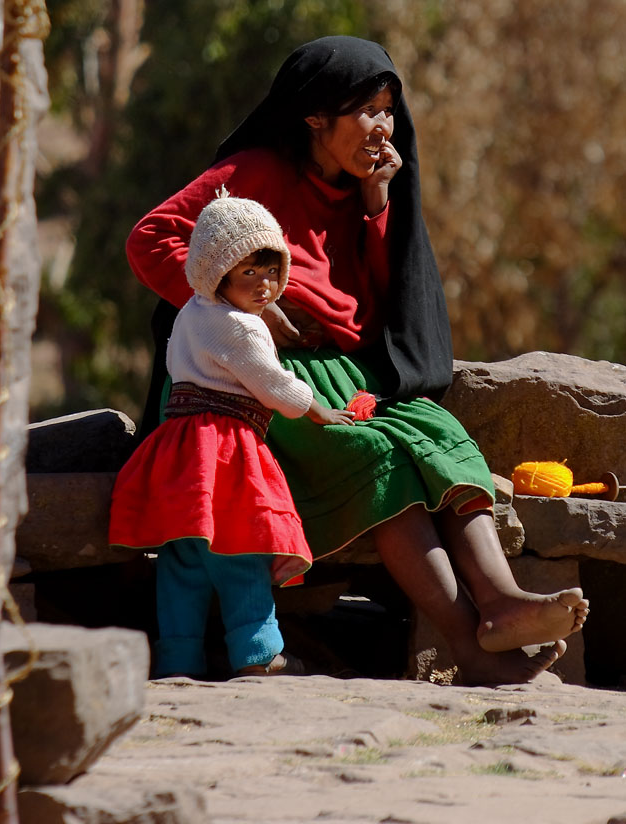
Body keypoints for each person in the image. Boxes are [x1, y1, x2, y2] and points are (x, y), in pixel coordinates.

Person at [126, 35, 589, 686]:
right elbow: (151, 237)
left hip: (344, 371)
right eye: (365, 110)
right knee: (374, 459)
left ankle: (501, 601)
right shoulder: (256, 173)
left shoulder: (359, 195)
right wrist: (236, 309)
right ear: (316, 116)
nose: (382, 127)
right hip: (255, 379)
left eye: (388, 110)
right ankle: (470, 644)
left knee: (438, 433)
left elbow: (374, 308)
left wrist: (376, 205)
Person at [109, 192, 354, 679]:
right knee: (240, 549)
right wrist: (317, 409)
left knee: (182, 560)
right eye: (249, 274)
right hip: (225, 449)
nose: (264, 286)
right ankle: (258, 652)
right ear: (217, 273)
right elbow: (271, 383)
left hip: (180, 448)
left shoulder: (191, 314)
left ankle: (178, 658)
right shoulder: (240, 328)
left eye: (270, 271)